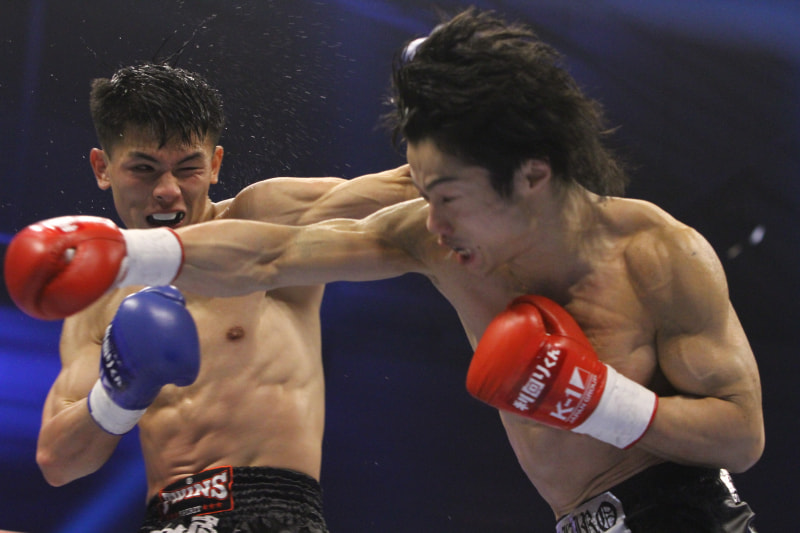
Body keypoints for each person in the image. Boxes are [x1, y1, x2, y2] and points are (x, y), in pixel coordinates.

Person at [6, 10, 764, 532]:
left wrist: (597, 399)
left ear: (530, 175)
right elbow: (272, 254)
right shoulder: (432, 238)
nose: (430, 218)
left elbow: (742, 435)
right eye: (143, 169)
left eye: (444, 196)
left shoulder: (656, 252)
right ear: (104, 167)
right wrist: (124, 268)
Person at [17, 63, 417, 533]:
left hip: (271, 513)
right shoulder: (98, 301)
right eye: (143, 169)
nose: (167, 191)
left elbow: (407, 187)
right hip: (164, 521)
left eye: (188, 168)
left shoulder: (264, 219)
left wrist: (466, 120)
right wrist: (120, 392)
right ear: (103, 168)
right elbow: (58, 462)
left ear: (215, 164)